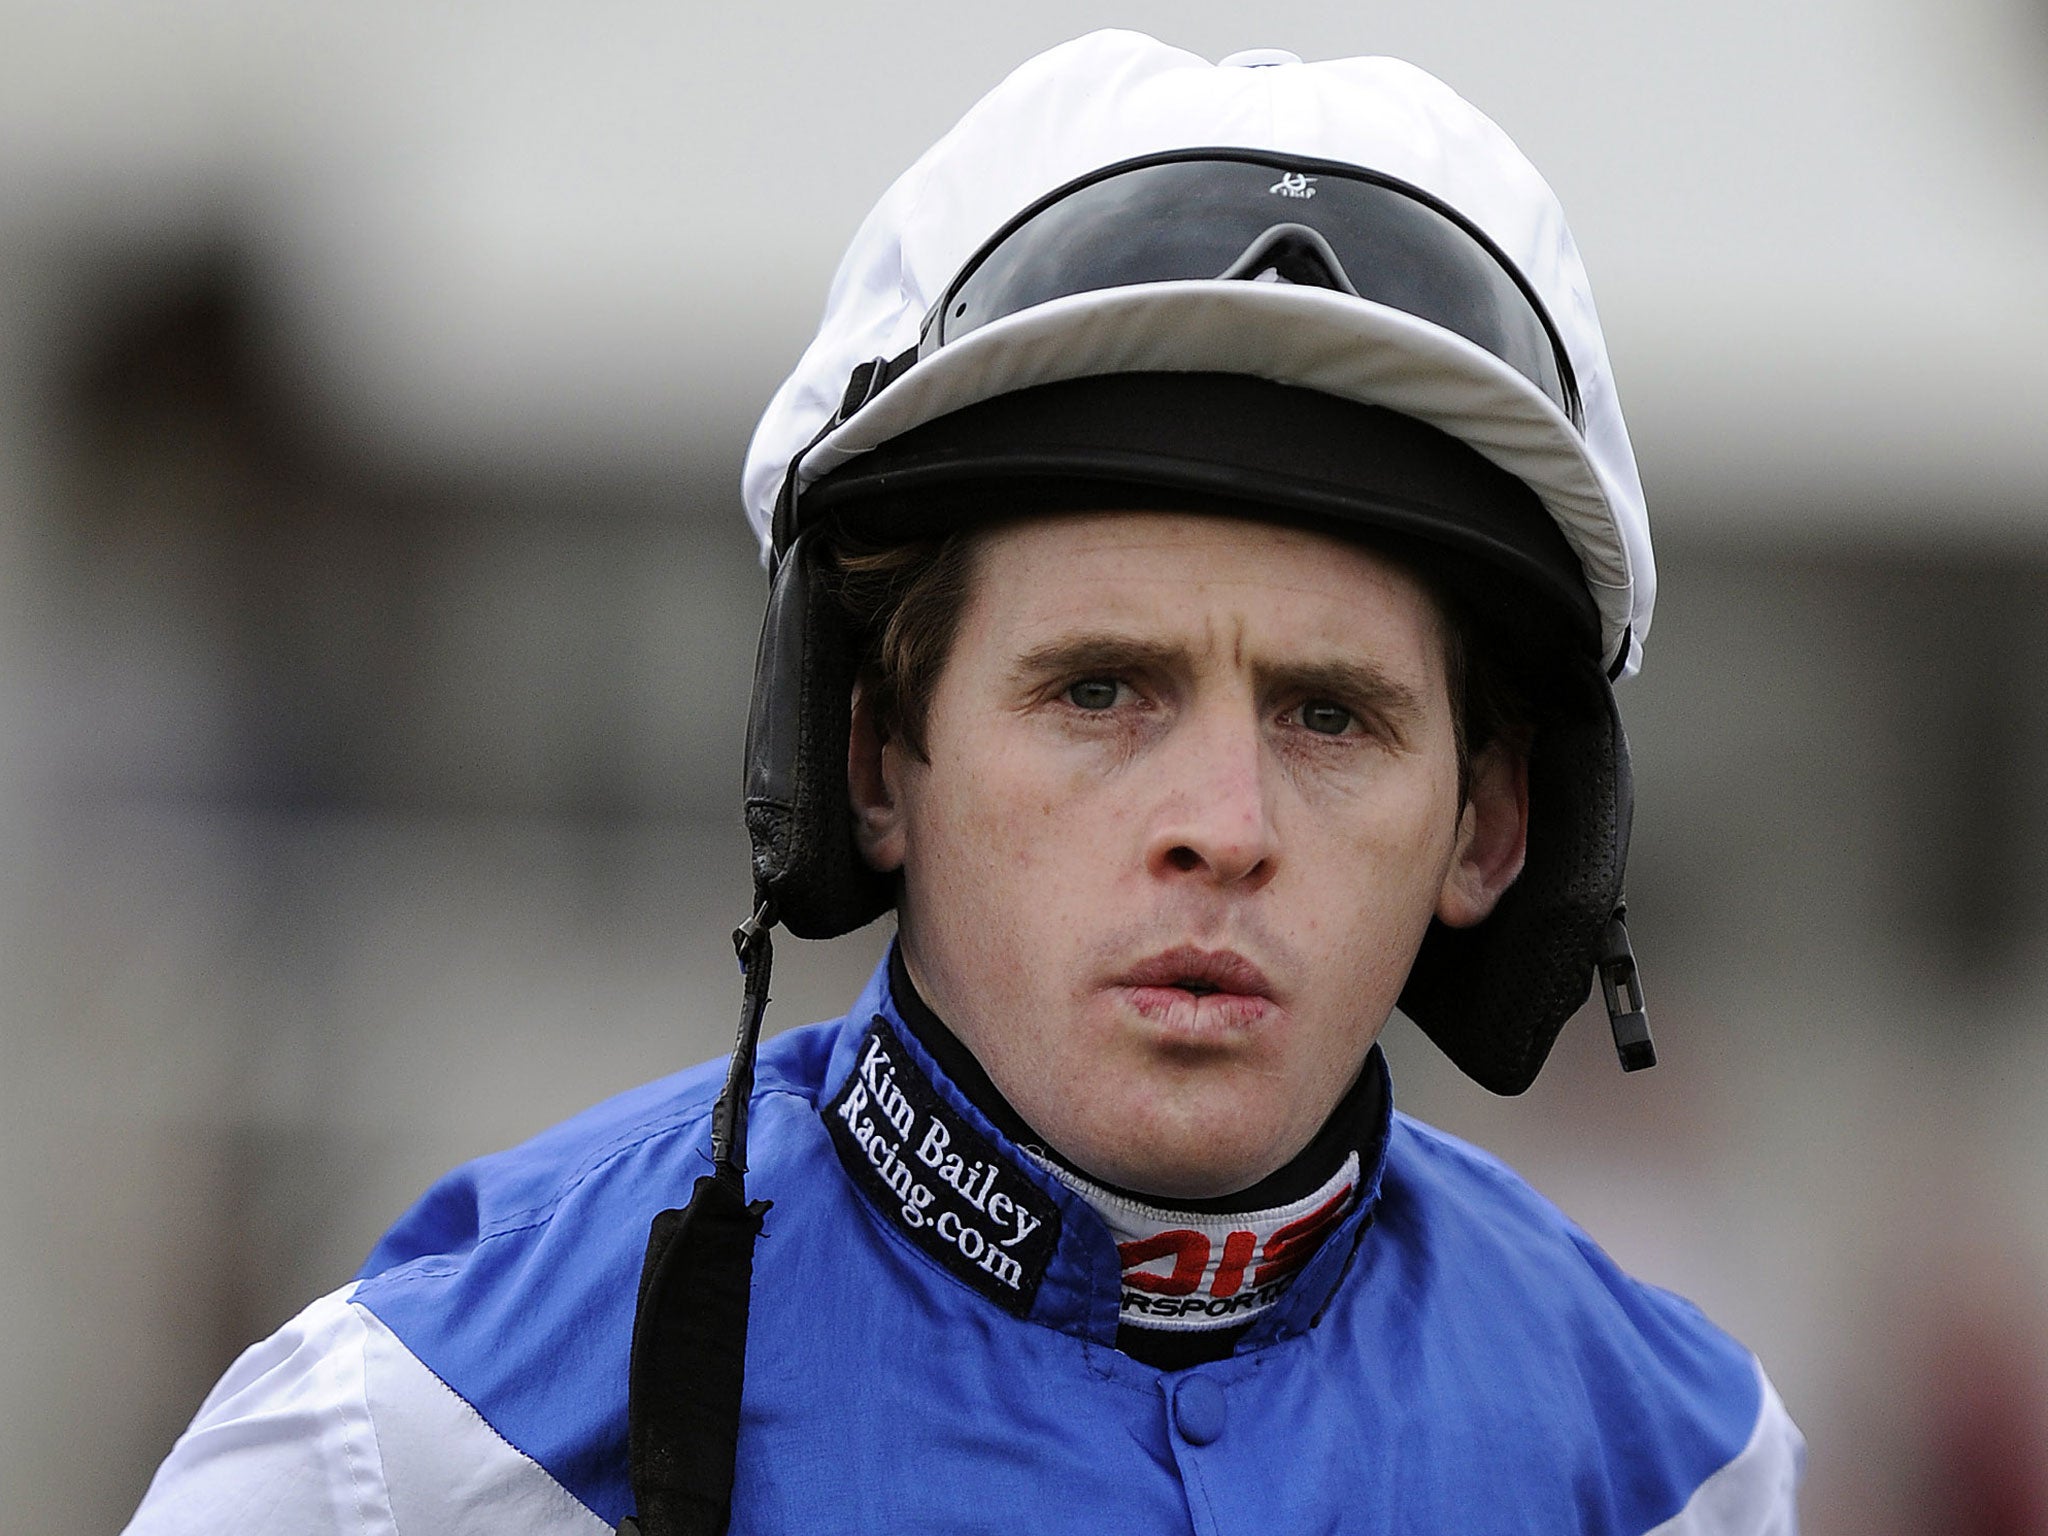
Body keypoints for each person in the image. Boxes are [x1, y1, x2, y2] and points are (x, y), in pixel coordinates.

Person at [126, 30, 1805, 1535]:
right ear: (869, 761)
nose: (1221, 827)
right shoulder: (422, 1442)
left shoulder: (1675, 1463)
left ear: (1494, 829)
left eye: (1329, 717)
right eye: (1099, 691)